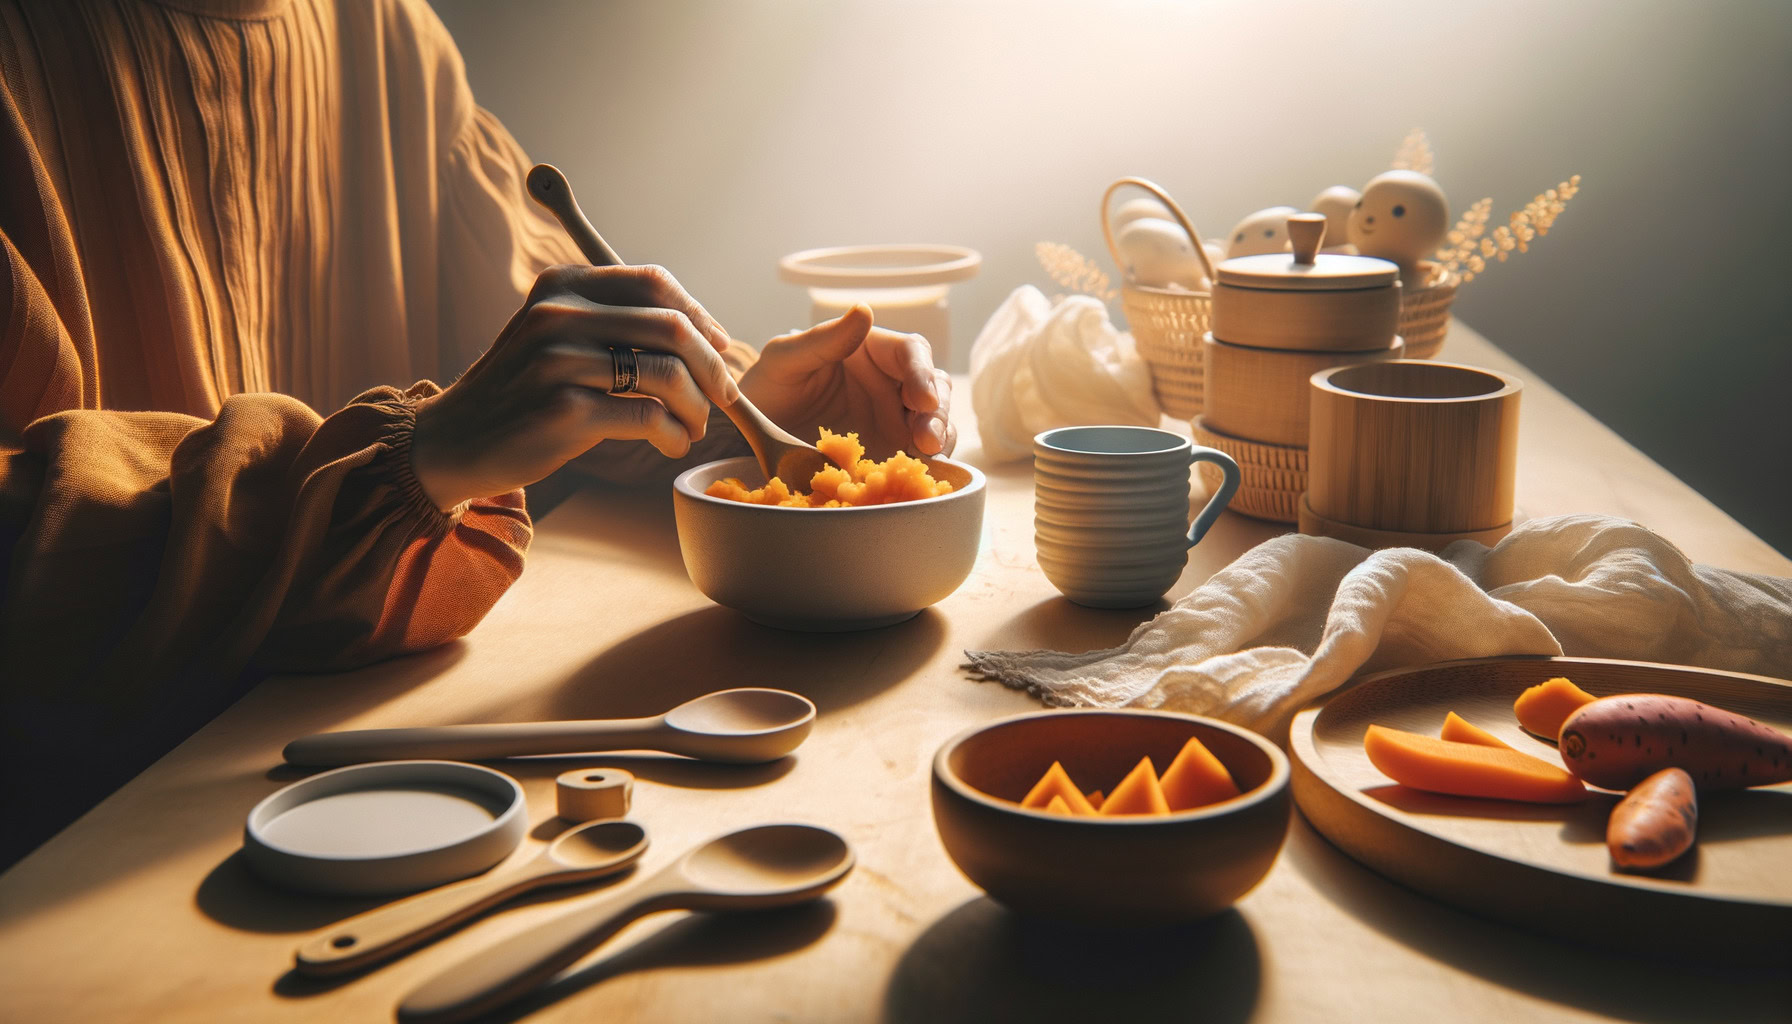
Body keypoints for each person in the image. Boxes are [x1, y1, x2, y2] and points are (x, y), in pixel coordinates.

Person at [0, 0, 954, 866]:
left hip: (384, 769)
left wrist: (744, 417)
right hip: (87, 838)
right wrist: (405, 462)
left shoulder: (383, 33)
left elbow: (538, 357)